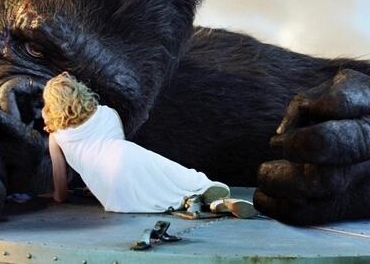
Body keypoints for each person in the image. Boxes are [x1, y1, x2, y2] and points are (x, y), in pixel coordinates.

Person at [42, 72, 257, 218]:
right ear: (80, 91)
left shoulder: (57, 137)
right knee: (182, 180)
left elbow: (61, 189)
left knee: (161, 202)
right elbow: (110, 146)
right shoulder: (107, 113)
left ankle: (205, 204)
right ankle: (211, 197)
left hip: (111, 190)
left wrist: (62, 195)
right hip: (127, 156)